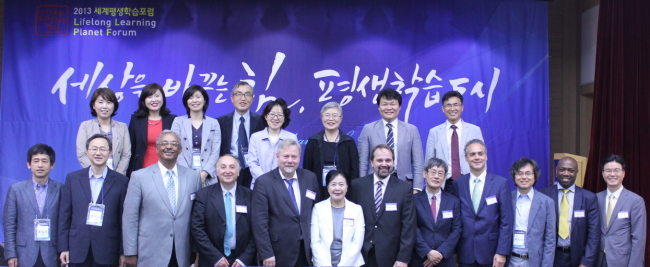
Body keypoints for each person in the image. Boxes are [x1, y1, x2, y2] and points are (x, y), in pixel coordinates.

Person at [122, 130, 202, 267]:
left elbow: (197, 216)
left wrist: (196, 251)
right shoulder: (139, 177)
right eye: (164, 143)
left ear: (180, 149)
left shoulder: (193, 177)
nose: (169, 147)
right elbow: (130, 217)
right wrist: (130, 252)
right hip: (149, 252)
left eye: (174, 144)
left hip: (182, 253)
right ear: (157, 148)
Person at [58, 134, 129, 267]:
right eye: (94, 149)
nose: (98, 153)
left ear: (110, 153)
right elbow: (64, 216)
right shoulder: (73, 179)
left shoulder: (121, 181)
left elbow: (123, 219)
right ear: (87, 152)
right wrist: (63, 247)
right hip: (77, 248)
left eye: (103, 149)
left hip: (108, 250)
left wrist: (123, 251)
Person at [251, 139, 320, 267]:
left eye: (294, 157)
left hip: (307, 251)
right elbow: (259, 223)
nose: (290, 161)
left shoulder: (310, 178)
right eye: (285, 156)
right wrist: (266, 253)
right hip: (278, 253)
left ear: (299, 158)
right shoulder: (264, 182)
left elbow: (318, 212)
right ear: (277, 157)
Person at [350, 144, 415, 267]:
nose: (384, 164)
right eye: (379, 160)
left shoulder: (404, 188)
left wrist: (403, 258)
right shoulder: (357, 186)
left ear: (393, 162)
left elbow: (408, 226)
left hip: (391, 257)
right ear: (371, 162)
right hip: (360, 256)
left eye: (388, 160)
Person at [453, 139, 513, 267]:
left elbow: (506, 221)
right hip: (465, 253)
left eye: (480, 153)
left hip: (492, 254)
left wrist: (502, 251)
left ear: (486, 156)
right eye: (472, 154)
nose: (477, 157)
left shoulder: (500, 183)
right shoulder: (458, 184)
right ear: (466, 158)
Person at [191, 155, 256, 267]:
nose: (227, 171)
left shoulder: (250, 195)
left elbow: (257, 229)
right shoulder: (204, 195)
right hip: (211, 260)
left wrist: (244, 259)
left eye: (232, 167)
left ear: (238, 172)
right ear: (217, 172)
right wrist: (215, 257)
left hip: (242, 261)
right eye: (223, 167)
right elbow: (197, 228)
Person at [3, 144, 62, 267]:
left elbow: (65, 223)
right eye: (36, 161)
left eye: (44, 161)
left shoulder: (61, 189)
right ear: (29, 164)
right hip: (23, 254)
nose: (40, 165)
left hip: (52, 253)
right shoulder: (16, 190)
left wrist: (64, 250)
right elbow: (9, 223)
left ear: (52, 165)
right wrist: (11, 254)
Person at [358, 88, 424, 194]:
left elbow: (418, 162)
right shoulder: (368, 129)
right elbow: (362, 161)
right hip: (374, 184)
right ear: (379, 107)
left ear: (399, 107)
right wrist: (363, 185)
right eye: (384, 104)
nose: (389, 108)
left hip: (404, 183)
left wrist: (417, 188)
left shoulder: (412, 130)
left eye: (392, 104)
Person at [539, 157, 600, 267]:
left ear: (576, 172)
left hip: (578, 258)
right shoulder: (543, 195)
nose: (566, 173)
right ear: (556, 171)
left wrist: (586, 262)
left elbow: (594, 234)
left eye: (570, 170)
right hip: (550, 258)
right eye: (562, 169)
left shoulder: (589, 198)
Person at [425, 91, 483, 195]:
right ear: (443, 109)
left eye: (456, 105)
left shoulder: (474, 130)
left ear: (462, 107)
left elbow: (481, 158)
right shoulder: (434, 132)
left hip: (468, 181)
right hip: (444, 183)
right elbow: (429, 161)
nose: (452, 109)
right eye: (448, 105)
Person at [596, 155, 646, 267]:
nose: (612, 174)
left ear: (623, 173)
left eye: (616, 170)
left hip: (622, 260)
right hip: (598, 260)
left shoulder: (635, 201)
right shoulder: (595, 199)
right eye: (608, 170)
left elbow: (638, 238)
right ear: (603, 173)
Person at [411, 157, 461, 267]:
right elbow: (412, 228)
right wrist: (427, 252)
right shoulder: (413, 200)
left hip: (445, 260)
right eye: (433, 172)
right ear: (425, 174)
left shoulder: (453, 201)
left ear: (444, 178)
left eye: (440, 173)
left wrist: (440, 253)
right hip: (420, 259)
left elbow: (456, 230)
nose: (436, 176)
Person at [304, 101, 360, 196]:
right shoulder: (313, 141)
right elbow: (307, 170)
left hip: (342, 192)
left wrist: (350, 192)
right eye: (327, 115)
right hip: (318, 191)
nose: (331, 119)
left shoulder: (348, 142)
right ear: (321, 117)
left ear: (341, 118)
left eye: (335, 115)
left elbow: (354, 171)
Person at [311, 171, 365, 267]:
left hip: (351, 263)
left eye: (341, 184)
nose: (337, 188)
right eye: (333, 184)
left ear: (347, 187)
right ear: (327, 187)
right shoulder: (318, 208)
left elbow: (357, 243)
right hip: (323, 262)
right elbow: (315, 242)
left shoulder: (357, 209)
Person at [508, 157, 556, 267]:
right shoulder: (506, 198)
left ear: (535, 176)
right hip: (510, 260)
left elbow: (550, 239)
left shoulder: (546, 202)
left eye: (528, 173)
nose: (524, 177)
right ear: (514, 176)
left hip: (534, 262)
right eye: (519, 173)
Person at [216, 82, 264, 187]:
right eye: (238, 94)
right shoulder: (220, 122)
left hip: (253, 171)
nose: (243, 98)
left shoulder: (262, 121)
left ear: (252, 99)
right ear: (232, 98)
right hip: (229, 170)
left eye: (247, 94)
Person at [171, 85, 221, 186]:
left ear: (205, 100)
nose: (194, 100)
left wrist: (205, 173)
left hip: (208, 176)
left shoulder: (214, 123)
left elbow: (215, 151)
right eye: (190, 97)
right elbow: (175, 148)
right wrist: (188, 173)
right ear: (186, 102)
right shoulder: (178, 122)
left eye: (198, 97)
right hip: (184, 174)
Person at [76, 88, 131, 175]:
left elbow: (126, 155)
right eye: (100, 102)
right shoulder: (85, 126)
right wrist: (96, 172)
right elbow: (82, 154)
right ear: (93, 105)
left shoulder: (122, 127)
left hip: (116, 176)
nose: (104, 106)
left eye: (109, 102)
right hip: (92, 175)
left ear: (114, 106)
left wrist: (116, 175)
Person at [127, 83, 177, 177]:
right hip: (142, 170)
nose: (154, 99)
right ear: (144, 100)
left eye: (157, 96)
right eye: (149, 97)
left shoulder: (172, 120)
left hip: (167, 169)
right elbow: (131, 148)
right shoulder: (136, 120)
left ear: (163, 98)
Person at [248, 98, 298, 189]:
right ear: (265, 116)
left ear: (284, 118)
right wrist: (265, 181)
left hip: (283, 186)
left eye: (280, 115)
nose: (275, 118)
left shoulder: (291, 138)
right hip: (259, 185)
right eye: (272, 114)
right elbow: (253, 163)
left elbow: (292, 163)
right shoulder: (255, 137)